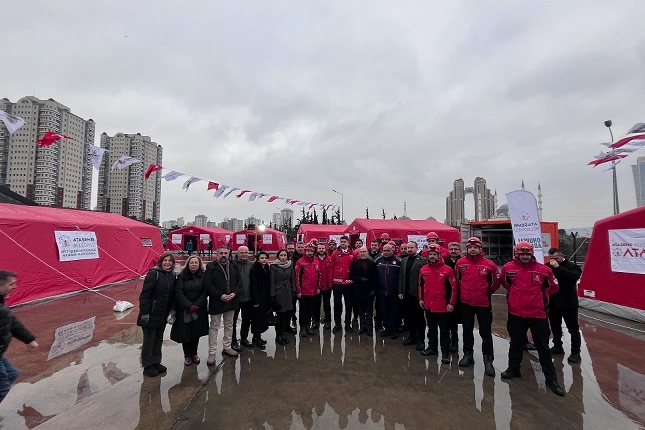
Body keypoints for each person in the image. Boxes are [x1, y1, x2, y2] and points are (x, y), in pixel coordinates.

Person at [499, 241, 565, 396]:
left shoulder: (544, 270)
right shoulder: (508, 268)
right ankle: (513, 369)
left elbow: (553, 287)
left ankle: (551, 379)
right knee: (515, 343)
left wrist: (540, 299)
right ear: (516, 253)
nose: (524, 256)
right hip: (516, 314)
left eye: (527, 253)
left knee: (543, 346)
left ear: (532, 253)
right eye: (521, 254)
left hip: (538, 314)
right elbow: (505, 283)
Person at [455, 237, 499, 376]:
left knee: (485, 332)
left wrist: (485, 294)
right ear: (467, 249)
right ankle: (468, 355)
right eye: (470, 247)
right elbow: (457, 280)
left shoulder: (490, 265)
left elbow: (496, 283)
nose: (472, 249)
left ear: (481, 249)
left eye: (475, 247)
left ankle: (488, 360)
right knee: (467, 330)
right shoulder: (460, 263)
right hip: (466, 303)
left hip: (483, 304)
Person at [0, 271, 38, 403]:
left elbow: (11, 321)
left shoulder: (1, 303)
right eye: (11, 284)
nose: (14, 287)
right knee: (2, 387)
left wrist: (28, 339)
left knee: (11, 374)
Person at [137, 253, 176, 377]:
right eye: (165, 260)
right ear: (161, 262)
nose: (167, 263)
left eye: (170, 261)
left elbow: (172, 296)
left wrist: (172, 311)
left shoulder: (172, 275)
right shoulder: (154, 273)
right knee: (149, 340)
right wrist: (145, 312)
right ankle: (147, 365)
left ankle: (156, 362)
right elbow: (145, 294)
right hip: (151, 313)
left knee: (158, 339)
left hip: (162, 314)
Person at [418, 244, 457, 364]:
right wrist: (421, 299)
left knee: (445, 331)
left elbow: (454, 288)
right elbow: (420, 286)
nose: (432, 256)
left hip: (443, 307)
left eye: (434, 254)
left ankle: (445, 352)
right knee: (431, 329)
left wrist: (451, 303)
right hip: (429, 305)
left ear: (439, 255)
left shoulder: (447, 270)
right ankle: (432, 348)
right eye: (430, 254)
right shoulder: (423, 269)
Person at [204, 246, 242, 366]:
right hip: (217, 301)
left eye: (226, 253)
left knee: (229, 325)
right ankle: (212, 352)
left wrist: (234, 293)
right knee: (214, 326)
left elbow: (239, 282)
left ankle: (227, 346)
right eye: (221, 253)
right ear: (217, 254)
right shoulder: (211, 267)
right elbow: (208, 285)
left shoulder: (234, 266)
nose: (224, 255)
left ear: (229, 254)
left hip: (231, 300)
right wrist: (220, 295)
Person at [546, 247, 583, 364]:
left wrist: (558, 267)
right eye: (551, 258)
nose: (553, 261)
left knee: (573, 329)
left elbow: (573, 277)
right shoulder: (547, 267)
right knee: (555, 326)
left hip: (568, 303)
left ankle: (575, 352)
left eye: (556, 258)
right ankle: (557, 346)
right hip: (553, 302)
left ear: (562, 256)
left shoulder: (573, 267)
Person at [170, 255, 209, 366]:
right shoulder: (182, 276)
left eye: (196, 262)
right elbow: (178, 292)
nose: (194, 264)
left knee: (196, 332)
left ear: (199, 264)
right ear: (188, 264)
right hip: (184, 309)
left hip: (198, 308)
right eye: (192, 262)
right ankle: (187, 355)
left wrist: (196, 304)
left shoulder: (203, 275)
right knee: (185, 332)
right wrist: (188, 305)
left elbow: (205, 291)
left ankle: (194, 353)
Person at [398, 241, 427, 350]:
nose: (409, 249)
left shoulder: (423, 260)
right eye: (408, 248)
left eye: (411, 247)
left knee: (419, 318)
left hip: (418, 294)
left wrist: (423, 294)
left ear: (416, 248)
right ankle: (412, 336)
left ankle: (421, 340)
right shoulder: (404, 260)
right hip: (406, 294)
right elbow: (401, 277)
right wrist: (400, 291)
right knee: (409, 317)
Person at [350, 247, 379, 336]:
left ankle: (369, 328)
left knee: (369, 311)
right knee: (361, 311)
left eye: (364, 252)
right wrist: (360, 279)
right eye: (361, 252)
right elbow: (351, 276)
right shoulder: (354, 264)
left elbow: (375, 278)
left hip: (369, 290)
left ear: (367, 253)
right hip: (359, 290)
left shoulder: (373, 264)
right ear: (358, 253)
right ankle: (362, 327)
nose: (363, 253)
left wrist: (374, 289)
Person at [330, 236, 356, 333]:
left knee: (348, 305)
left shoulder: (353, 254)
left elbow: (355, 268)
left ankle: (348, 324)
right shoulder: (335, 253)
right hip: (337, 283)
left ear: (348, 242)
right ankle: (337, 324)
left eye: (344, 241)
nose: (342, 243)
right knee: (337, 305)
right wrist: (330, 282)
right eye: (341, 242)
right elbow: (331, 268)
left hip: (348, 284)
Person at [375, 244, 401, 339]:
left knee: (395, 312)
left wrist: (400, 291)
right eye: (384, 250)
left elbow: (401, 278)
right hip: (382, 292)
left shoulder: (398, 262)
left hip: (394, 293)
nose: (385, 252)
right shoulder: (378, 261)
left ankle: (395, 329)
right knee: (384, 312)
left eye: (388, 251)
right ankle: (387, 328)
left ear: (392, 250)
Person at [271, 249, 296, 345]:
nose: (283, 257)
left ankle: (283, 332)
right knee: (280, 315)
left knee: (287, 313)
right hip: (279, 292)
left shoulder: (290, 265)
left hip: (288, 292)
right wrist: (272, 295)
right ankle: (278, 335)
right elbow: (272, 281)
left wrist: (293, 290)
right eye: (281, 255)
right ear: (278, 256)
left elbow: (292, 279)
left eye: (285, 255)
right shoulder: (274, 266)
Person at [295, 243, 320, 337]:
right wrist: (298, 291)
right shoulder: (300, 262)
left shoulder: (316, 262)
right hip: (304, 292)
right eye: (308, 251)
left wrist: (318, 287)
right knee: (303, 311)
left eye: (311, 251)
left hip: (313, 291)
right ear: (305, 252)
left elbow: (319, 276)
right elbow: (297, 278)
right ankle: (302, 328)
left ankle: (307, 326)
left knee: (310, 310)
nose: (309, 253)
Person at [231, 246, 253, 351]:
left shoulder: (250, 264)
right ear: (238, 253)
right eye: (242, 252)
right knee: (233, 321)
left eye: (246, 252)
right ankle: (233, 341)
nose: (244, 254)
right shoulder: (232, 264)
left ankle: (244, 338)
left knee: (246, 320)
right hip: (235, 298)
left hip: (247, 297)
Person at [249, 251, 271, 349]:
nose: (264, 260)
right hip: (258, 297)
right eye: (262, 258)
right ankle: (256, 338)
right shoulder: (254, 269)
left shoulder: (266, 267)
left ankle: (258, 337)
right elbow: (254, 285)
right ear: (258, 259)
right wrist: (256, 300)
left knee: (262, 318)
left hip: (265, 297)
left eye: (265, 258)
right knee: (257, 318)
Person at [444, 242, 463, 352]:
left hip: (461, 295)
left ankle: (456, 341)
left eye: (456, 249)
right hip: (447, 295)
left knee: (457, 320)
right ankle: (449, 341)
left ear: (460, 251)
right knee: (448, 320)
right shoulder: (444, 262)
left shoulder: (463, 262)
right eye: (451, 249)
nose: (453, 251)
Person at [316, 243, 333, 329]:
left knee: (327, 305)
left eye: (322, 248)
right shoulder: (314, 259)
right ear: (317, 249)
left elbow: (331, 272)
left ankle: (328, 321)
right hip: (316, 286)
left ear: (325, 249)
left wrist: (330, 284)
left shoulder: (329, 259)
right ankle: (315, 321)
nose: (321, 250)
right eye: (319, 248)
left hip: (326, 286)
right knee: (316, 305)